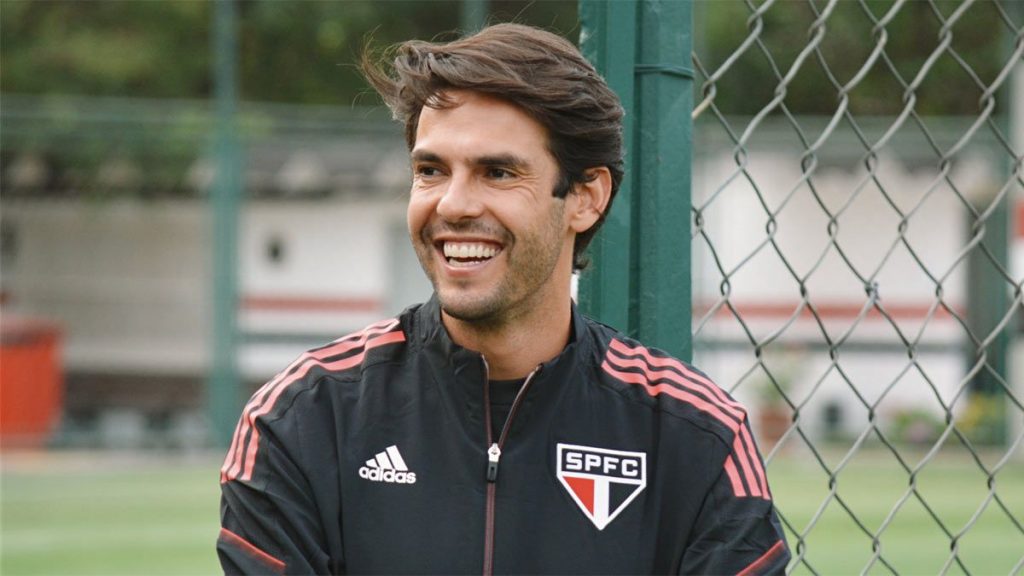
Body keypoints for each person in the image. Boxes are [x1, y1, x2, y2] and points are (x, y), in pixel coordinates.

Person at [217, 23, 790, 575]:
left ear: (586, 197)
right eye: (431, 170)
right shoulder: (302, 419)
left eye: (496, 172)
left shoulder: (697, 435)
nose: (453, 205)